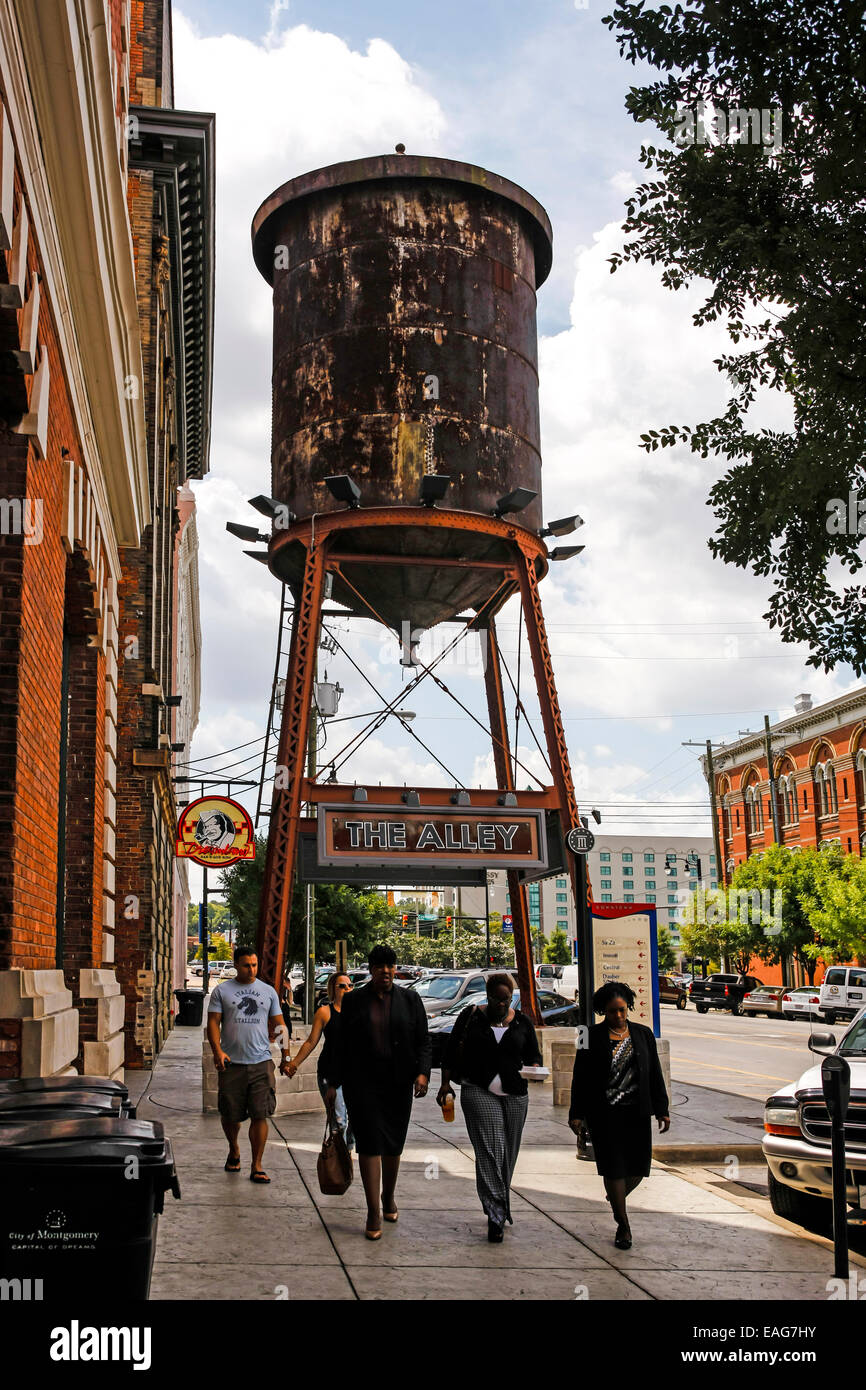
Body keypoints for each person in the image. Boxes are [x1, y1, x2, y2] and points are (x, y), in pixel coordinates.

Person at [326, 944, 431, 1240]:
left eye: (390, 966)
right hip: (362, 1083)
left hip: (398, 1082)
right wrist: (333, 1083)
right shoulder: (354, 1000)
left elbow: (423, 1041)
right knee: (369, 1143)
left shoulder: (410, 1000)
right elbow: (341, 1044)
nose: (386, 971)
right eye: (380, 966)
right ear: (371, 970)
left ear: (394, 969)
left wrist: (422, 1073)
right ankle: (373, 1210)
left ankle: (388, 1196)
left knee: (393, 1144)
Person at [437, 972, 542, 1243]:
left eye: (507, 999)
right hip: (478, 1089)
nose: (502, 1004)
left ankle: (498, 1202)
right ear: (488, 996)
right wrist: (445, 1084)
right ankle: (496, 1214)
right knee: (491, 1150)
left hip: (516, 1094)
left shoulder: (522, 1022)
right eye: (497, 999)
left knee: (508, 1154)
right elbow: (450, 1051)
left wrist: (535, 1070)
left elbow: (534, 1056)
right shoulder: (471, 1017)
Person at [568, 980, 670, 1249]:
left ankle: (616, 1196)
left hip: (637, 1111)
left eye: (622, 1010)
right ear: (603, 1010)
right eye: (613, 1011)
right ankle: (623, 1225)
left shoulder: (643, 1034)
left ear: (629, 1007)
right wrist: (576, 1113)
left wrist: (662, 1109)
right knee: (613, 1167)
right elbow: (579, 1077)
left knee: (639, 1167)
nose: (619, 1015)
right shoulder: (587, 1035)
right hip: (604, 1114)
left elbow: (654, 1073)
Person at [206, 946, 289, 1184]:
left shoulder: (268, 992)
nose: (251, 970)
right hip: (231, 1063)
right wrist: (217, 1051)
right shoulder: (222, 991)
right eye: (246, 965)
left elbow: (279, 1025)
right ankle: (234, 1149)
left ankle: (257, 1165)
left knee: (260, 1114)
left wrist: (286, 1056)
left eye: (254, 965)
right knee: (230, 1115)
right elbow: (213, 1023)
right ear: (236, 965)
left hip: (261, 1062)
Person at [283, 972, 354, 1150]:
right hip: (330, 1072)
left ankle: (346, 1156)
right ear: (333, 989)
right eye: (342, 986)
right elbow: (311, 1042)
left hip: (353, 1073)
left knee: (355, 1124)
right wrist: (294, 1063)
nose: (347, 989)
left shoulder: (358, 1011)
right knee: (339, 1122)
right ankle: (339, 1159)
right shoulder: (324, 1012)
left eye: (350, 985)